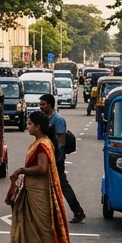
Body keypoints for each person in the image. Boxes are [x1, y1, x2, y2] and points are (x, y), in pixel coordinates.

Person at [0, 111, 73, 243]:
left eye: (30, 124)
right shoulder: (39, 142)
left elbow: (42, 168)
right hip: (31, 190)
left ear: (38, 127)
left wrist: (21, 170)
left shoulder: (43, 144)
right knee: (23, 225)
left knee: (45, 230)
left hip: (39, 193)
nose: (27, 126)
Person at [38, 94, 85, 223]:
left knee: (62, 184)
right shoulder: (43, 118)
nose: (41, 106)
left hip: (55, 158)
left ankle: (78, 211)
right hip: (45, 156)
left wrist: (55, 157)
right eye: (40, 104)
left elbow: (61, 140)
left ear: (50, 105)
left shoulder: (58, 119)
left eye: (43, 104)